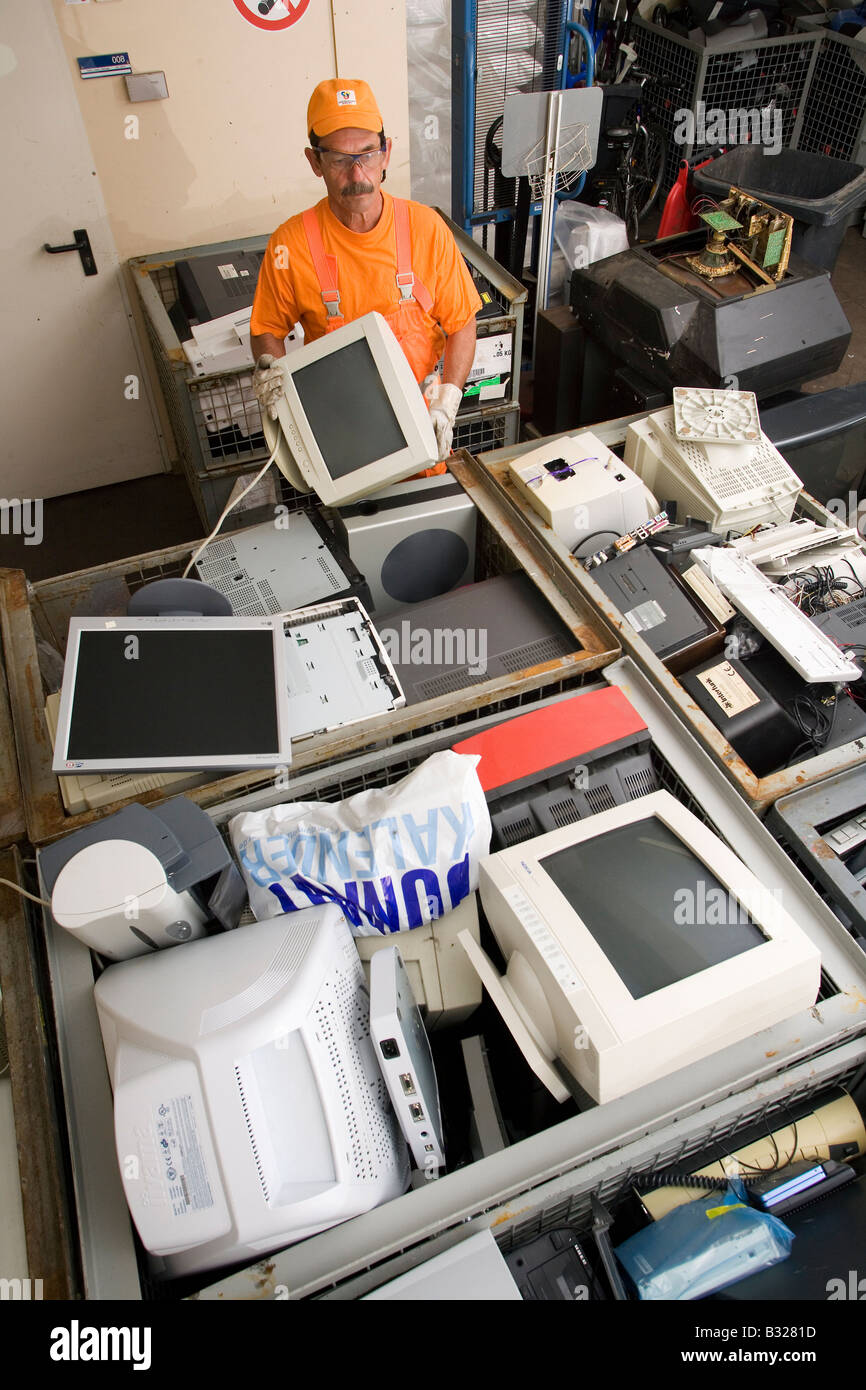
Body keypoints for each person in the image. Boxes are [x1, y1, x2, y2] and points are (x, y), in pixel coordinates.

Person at [250, 78, 482, 463]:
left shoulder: (426, 229)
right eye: (340, 159)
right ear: (314, 161)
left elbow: (463, 324)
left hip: (421, 432)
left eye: (368, 154)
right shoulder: (290, 245)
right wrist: (272, 372)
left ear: (386, 153)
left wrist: (448, 401)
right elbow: (266, 331)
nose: (358, 176)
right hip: (337, 440)